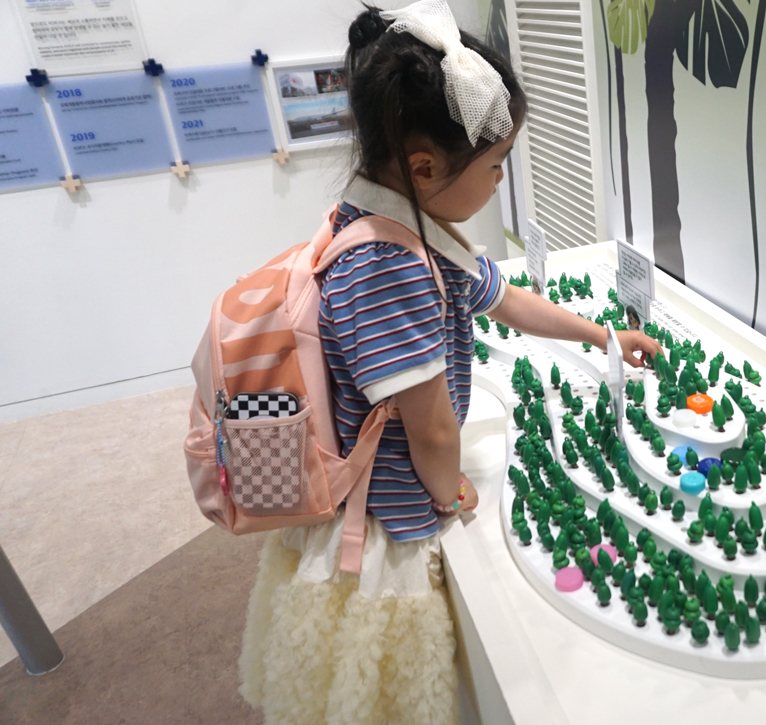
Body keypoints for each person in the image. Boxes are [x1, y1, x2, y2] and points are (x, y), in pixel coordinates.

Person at [236, 3, 659, 723]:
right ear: (425, 166)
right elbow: (430, 429)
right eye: (495, 166)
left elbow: (504, 299)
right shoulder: (388, 266)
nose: (499, 182)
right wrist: (450, 490)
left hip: (393, 488)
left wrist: (601, 335)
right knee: (394, 684)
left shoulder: (402, 221)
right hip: (389, 519)